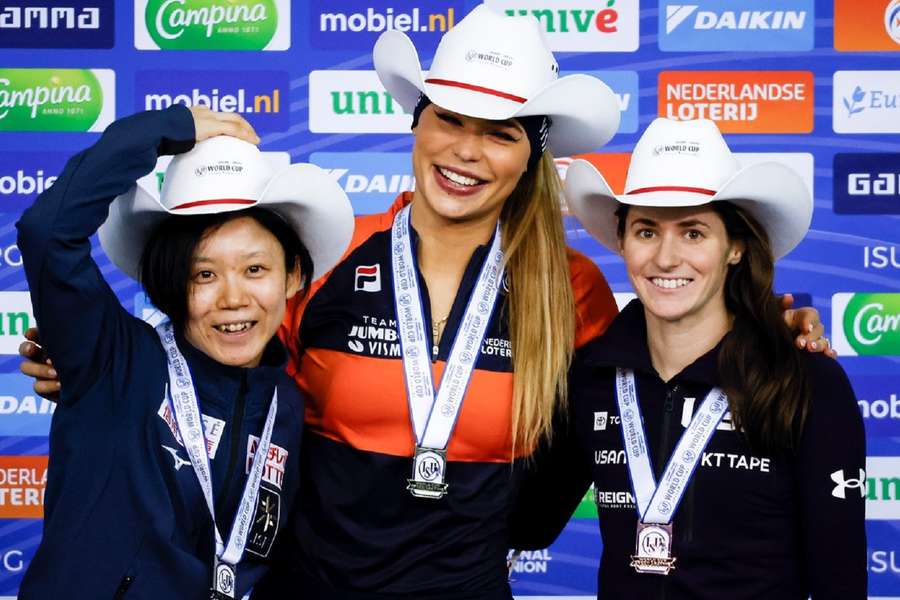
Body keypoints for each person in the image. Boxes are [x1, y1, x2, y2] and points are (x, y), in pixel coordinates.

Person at [17, 7, 830, 600]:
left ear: (530, 157)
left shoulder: (570, 289)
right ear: (417, 119)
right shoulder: (331, 258)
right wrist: (84, 367)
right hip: (306, 589)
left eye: (501, 131)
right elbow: (218, 362)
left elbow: (674, 351)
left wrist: (774, 324)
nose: (467, 150)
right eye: (451, 118)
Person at [514, 117, 866, 599]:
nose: (666, 258)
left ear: (736, 247)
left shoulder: (806, 378)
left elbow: (840, 578)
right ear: (622, 241)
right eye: (646, 231)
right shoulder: (591, 377)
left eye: (694, 233)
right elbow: (527, 524)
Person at [15, 104, 353, 599]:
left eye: (255, 270)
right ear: (169, 285)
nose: (234, 298)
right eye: (204, 274)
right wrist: (164, 129)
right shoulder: (114, 358)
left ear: (294, 277)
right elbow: (48, 232)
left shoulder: (287, 402)